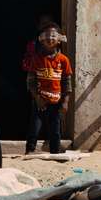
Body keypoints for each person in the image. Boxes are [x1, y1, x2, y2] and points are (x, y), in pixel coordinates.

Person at [25, 24, 73, 154]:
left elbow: (67, 82)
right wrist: (37, 98)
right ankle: (30, 150)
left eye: (53, 36)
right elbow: (31, 81)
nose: (50, 39)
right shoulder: (36, 59)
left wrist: (65, 101)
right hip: (40, 100)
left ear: (59, 40)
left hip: (56, 101)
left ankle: (55, 151)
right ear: (41, 39)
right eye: (46, 36)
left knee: (55, 128)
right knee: (35, 127)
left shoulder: (64, 60)